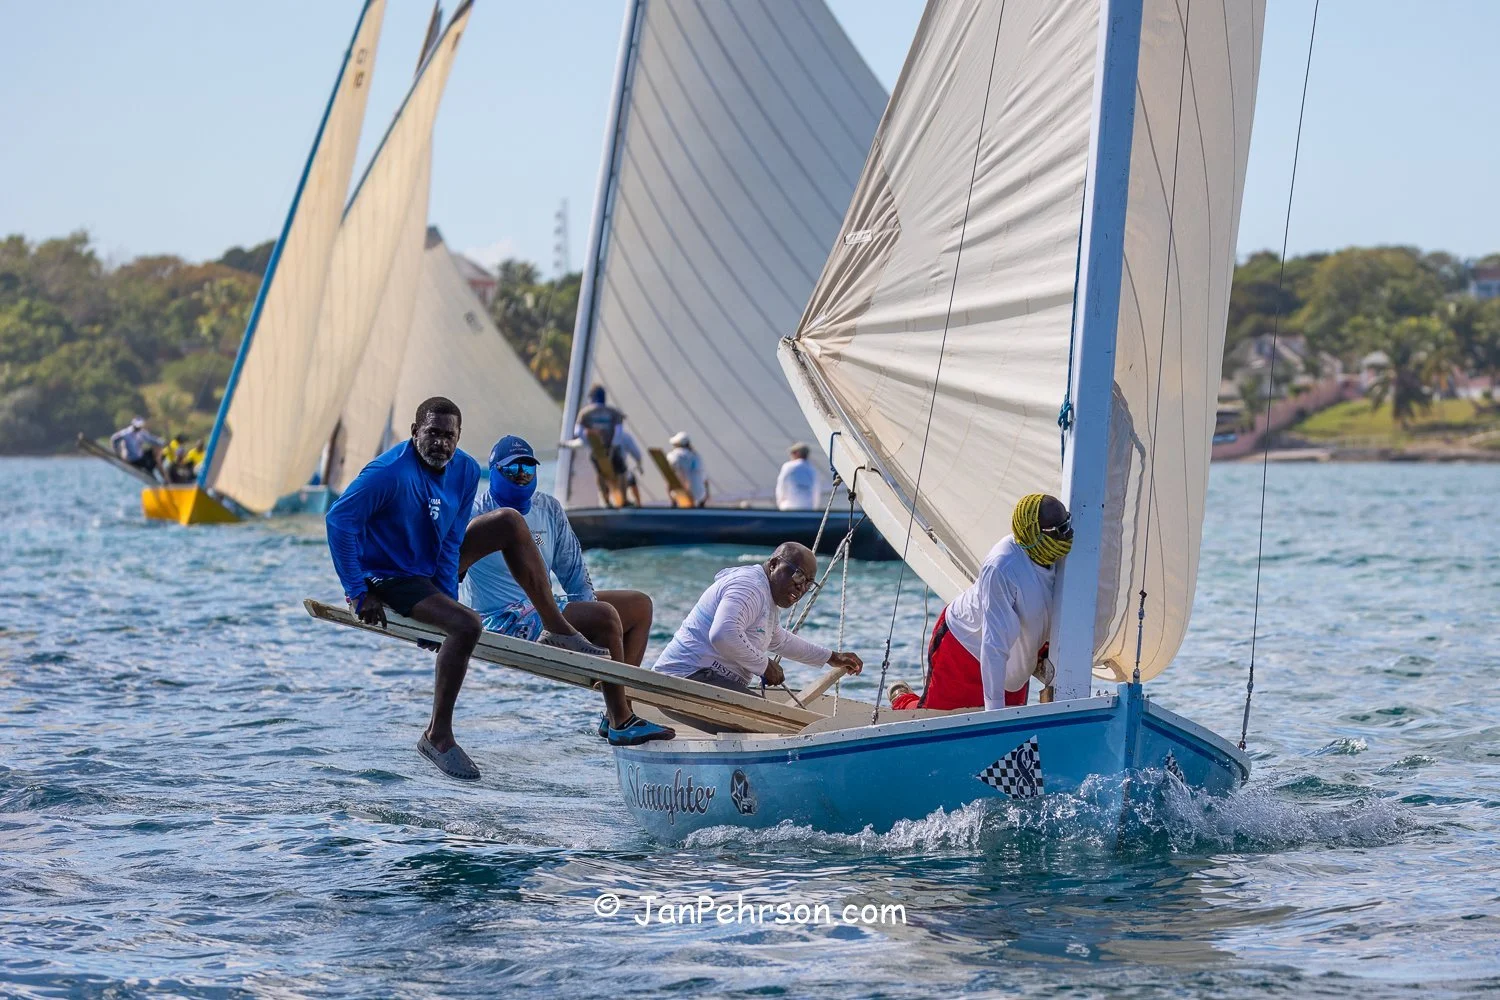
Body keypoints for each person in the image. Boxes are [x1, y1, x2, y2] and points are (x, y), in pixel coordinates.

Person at [326, 397, 607, 783]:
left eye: (449, 436)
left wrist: (443, 602)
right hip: (389, 575)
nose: (441, 443)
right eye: (432, 433)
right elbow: (339, 521)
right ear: (414, 433)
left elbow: (453, 541)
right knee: (467, 626)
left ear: (459, 438)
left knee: (508, 522)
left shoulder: (464, 470)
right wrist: (358, 592)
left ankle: (555, 628)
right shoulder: (387, 473)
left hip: (428, 566)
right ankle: (437, 735)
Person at [460, 434, 672, 746]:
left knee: (638, 606)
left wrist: (589, 614)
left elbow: (573, 570)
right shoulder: (476, 512)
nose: (521, 475)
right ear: (494, 472)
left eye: (528, 469)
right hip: (500, 619)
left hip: (545, 607)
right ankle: (621, 720)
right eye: (511, 470)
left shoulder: (548, 508)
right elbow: (449, 565)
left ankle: (618, 708)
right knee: (604, 617)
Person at [889, 493, 1071, 713]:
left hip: (1014, 665)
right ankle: (901, 699)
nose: (1067, 535)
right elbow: (994, 645)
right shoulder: (1002, 567)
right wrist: (993, 716)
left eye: (1067, 525)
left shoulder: (1069, 554)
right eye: (1058, 531)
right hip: (964, 649)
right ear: (1033, 534)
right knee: (935, 722)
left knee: (1013, 739)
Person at [654, 541, 863, 693]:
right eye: (798, 575)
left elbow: (777, 639)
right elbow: (722, 634)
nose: (801, 587)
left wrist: (832, 657)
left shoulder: (765, 593)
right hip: (685, 678)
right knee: (770, 730)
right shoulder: (749, 587)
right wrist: (764, 665)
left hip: (703, 680)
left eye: (809, 583)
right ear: (773, 565)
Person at [571, 384, 643, 507]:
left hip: (597, 450)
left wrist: (590, 443)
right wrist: (612, 448)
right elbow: (619, 432)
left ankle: (606, 501)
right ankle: (624, 500)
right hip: (613, 449)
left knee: (601, 473)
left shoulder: (585, 413)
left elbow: (577, 432)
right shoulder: (613, 412)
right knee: (621, 471)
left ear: (592, 397)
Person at [665, 432, 709, 507]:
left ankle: (673, 504)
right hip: (699, 496)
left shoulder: (672, 456)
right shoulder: (696, 456)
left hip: (681, 496)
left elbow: (669, 479)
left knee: (669, 478)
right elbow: (705, 480)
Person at [775, 442, 821, 510]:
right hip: (808, 508)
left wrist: (780, 503)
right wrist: (814, 508)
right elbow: (816, 490)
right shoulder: (812, 469)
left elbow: (781, 486)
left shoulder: (788, 466)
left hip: (789, 507)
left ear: (797, 453)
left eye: (792, 452)